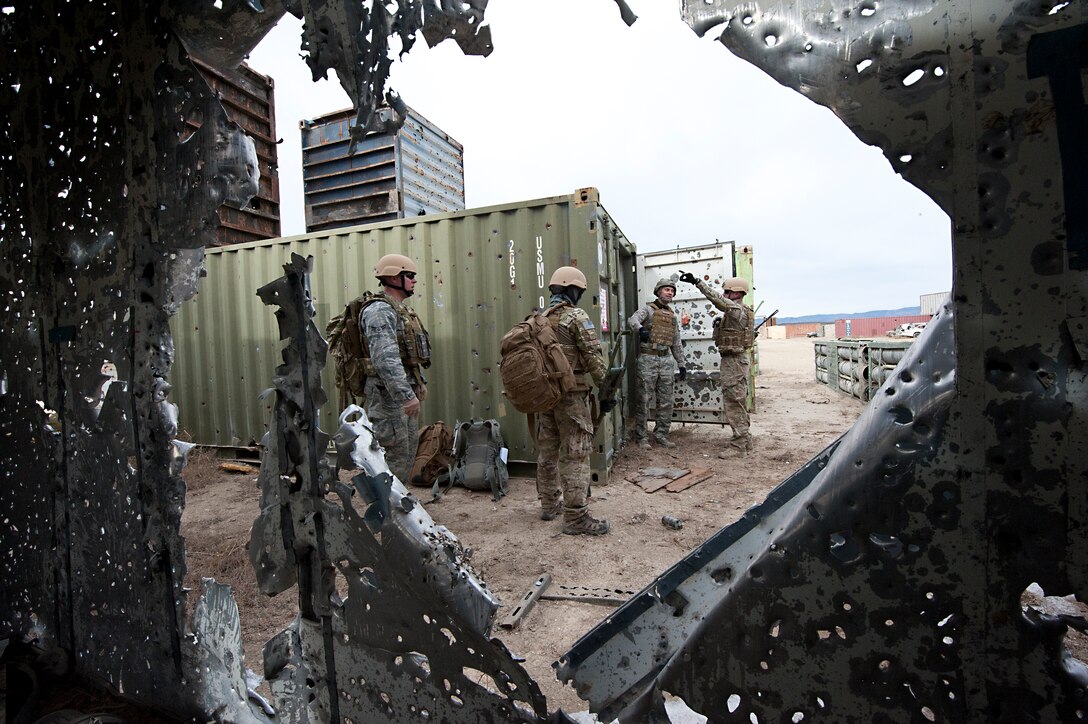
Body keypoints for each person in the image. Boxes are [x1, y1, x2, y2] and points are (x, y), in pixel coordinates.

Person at [535, 266, 612, 536]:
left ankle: (548, 505)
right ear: (572, 290)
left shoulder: (539, 318)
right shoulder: (576, 316)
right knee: (576, 453)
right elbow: (593, 356)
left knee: (547, 450)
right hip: (572, 395)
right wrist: (607, 389)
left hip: (545, 396)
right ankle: (576, 517)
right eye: (578, 290)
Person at [360, 253, 431, 483]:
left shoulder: (399, 311)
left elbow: (405, 357)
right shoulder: (380, 311)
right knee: (392, 458)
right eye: (409, 275)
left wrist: (417, 387)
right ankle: (383, 513)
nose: (414, 280)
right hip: (388, 399)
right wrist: (405, 396)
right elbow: (385, 359)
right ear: (392, 278)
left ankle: (397, 506)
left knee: (406, 454)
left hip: (401, 397)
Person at [679, 272, 754, 457]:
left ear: (737, 293)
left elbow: (717, 300)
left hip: (734, 361)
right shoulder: (740, 311)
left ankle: (738, 446)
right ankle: (745, 439)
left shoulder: (736, 310)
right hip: (735, 360)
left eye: (728, 292)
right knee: (738, 400)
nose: (725, 294)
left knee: (734, 401)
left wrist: (698, 282)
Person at [627, 276, 687, 449]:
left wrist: (681, 364)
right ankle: (642, 437)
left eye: (672, 291)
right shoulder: (648, 310)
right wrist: (641, 330)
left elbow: (676, 341)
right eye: (667, 289)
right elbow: (633, 320)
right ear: (659, 291)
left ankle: (661, 434)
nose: (670, 293)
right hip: (648, 359)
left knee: (666, 400)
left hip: (666, 359)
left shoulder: (672, 316)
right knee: (644, 399)